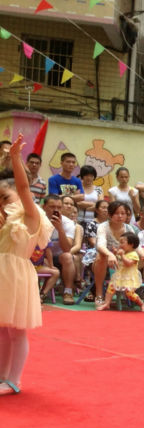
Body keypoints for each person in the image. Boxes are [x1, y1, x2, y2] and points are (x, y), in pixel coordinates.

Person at [0, 135, 54, 395]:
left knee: (16, 330)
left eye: (4, 197)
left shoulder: (31, 215)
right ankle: (2, 376)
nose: (1, 202)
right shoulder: (4, 219)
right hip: (2, 275)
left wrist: (15, 159)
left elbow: (23, 188)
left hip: (16, 276)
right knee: (2, 330)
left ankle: (13, 380)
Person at [93, 200, 141, 308]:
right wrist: (110, 254)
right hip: (103, 256)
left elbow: (136, 247)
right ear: (110, 214)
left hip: (122, 260)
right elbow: (100, 245)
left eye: (123, 213)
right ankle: (99, 294)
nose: (120, 216)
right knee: (102, 257)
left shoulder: (129, 228)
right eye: (116, 213)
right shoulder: (103, 227)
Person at [96, 232, 144, 312]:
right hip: (120, 276)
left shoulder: (134, 254)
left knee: (129, 293)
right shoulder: (122, 253)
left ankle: (142, 304)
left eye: (122, 242)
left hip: (129, 278)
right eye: (119, 242)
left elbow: (128, 264)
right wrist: (114, 253)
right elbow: (117, 261)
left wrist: (122, 255)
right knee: (111, 287)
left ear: (131, 244)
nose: (120, 245)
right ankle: (107, 303)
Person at [42, 194, 77, 305]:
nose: (56, 210)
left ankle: (68, 292)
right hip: (41, 256)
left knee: (67, 256)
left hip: (60, 257)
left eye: (59, 207)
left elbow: (67, 248)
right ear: (44, 207)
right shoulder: (38, 220)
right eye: (52, 207)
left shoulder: (68, 223)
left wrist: (60, 229)